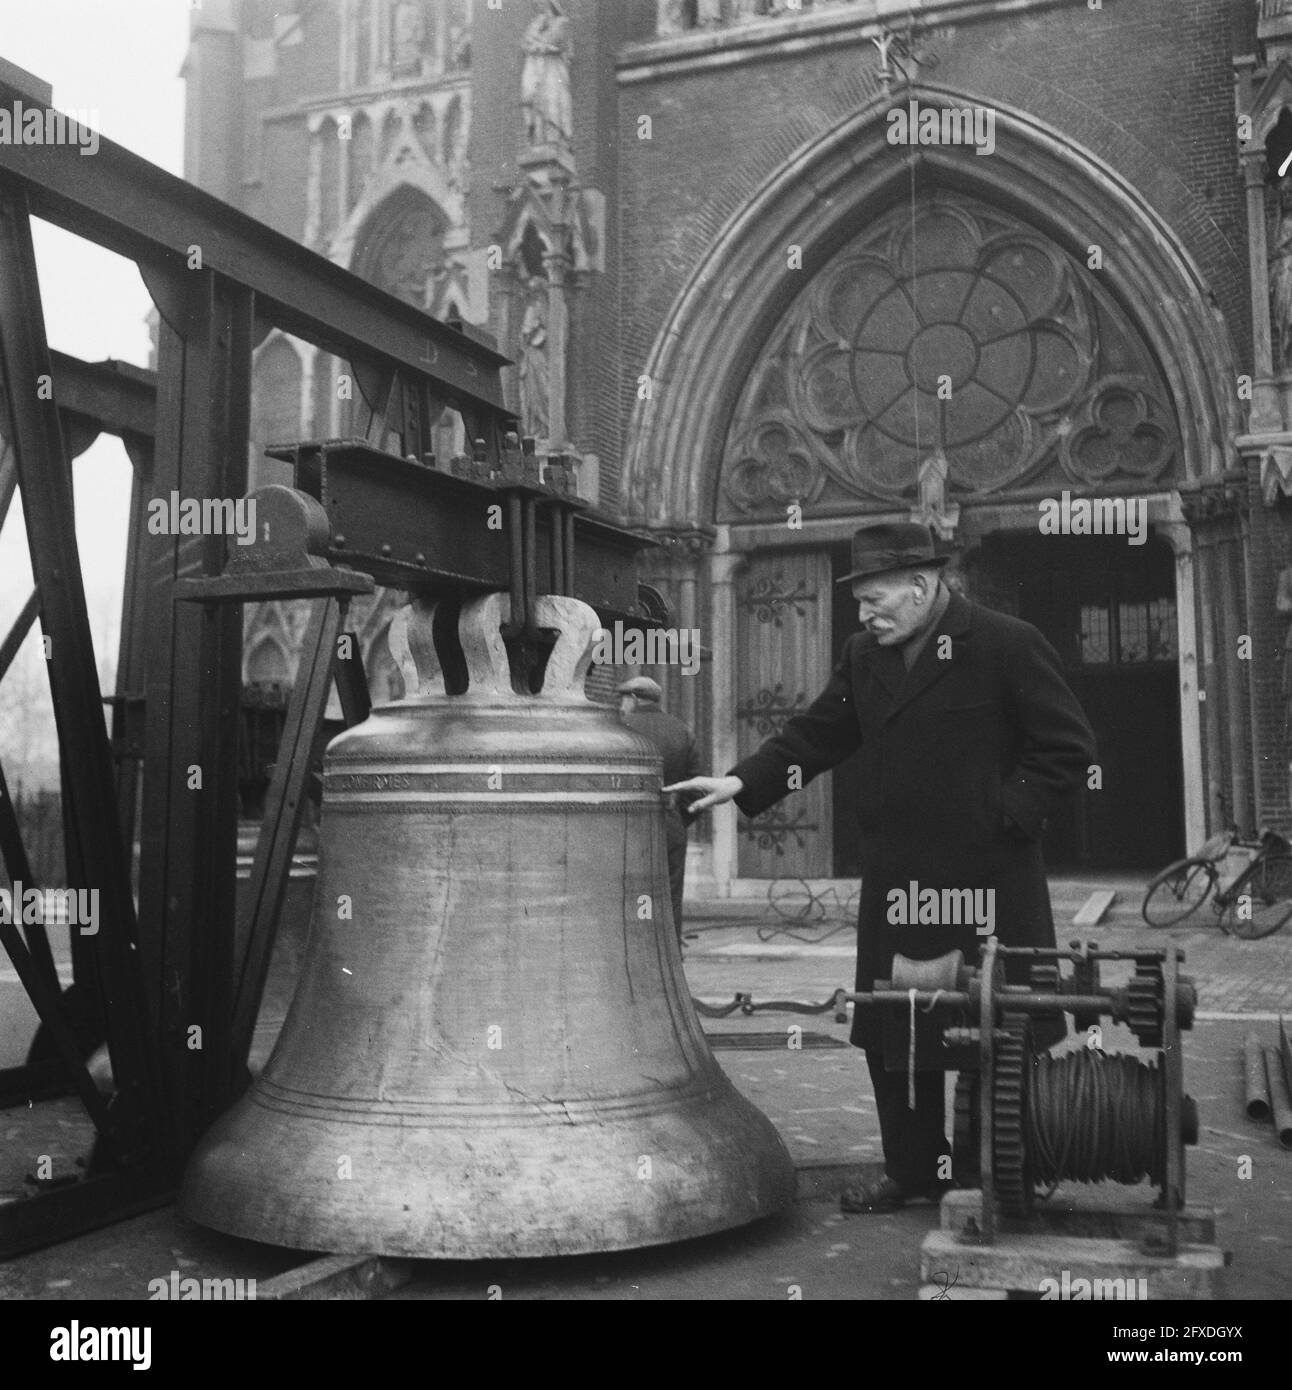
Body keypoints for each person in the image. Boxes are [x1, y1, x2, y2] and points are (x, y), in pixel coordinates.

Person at [665, 521, 1095, 1214]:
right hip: (900, 882)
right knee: (898, 1028)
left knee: (1001, 1025)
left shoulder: (1008, 644)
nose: (864, 614)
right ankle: (914, 1171)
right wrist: (744, 783)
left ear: (924, 586)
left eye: (876, 599)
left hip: (992, 884)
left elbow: (1067, 748)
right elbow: (818, 734)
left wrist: (1004, 818)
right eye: (860, 602)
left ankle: (996, 1172)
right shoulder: (865, 655)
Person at [618, 676, 700, 947]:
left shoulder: (620, 729)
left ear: (634, 698)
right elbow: (696, 788)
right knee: (670, 895)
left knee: (631, 892)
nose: (621, 705)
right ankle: (672, 955)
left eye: (623, 699)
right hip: (671, 823)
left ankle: (635, 954)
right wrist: (677, 817)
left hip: (628, 827)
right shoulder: (682, 730)